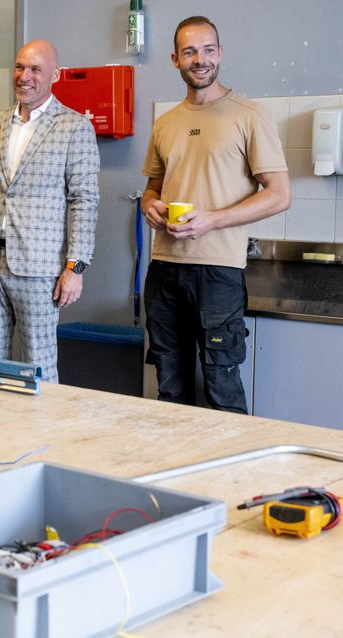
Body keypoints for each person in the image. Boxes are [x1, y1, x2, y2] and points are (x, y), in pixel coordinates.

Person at [141, 16, 289, 413]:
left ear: (220, 53)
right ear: (175, 59)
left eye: (208, 50)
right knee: (169, 390)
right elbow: (152, 188)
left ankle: (234, 476)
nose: (200, 59)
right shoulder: (165, 123)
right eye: (189, 51)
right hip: (164, 268)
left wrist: (214, 220)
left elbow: (279, 195)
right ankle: (175, 474)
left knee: (222, 387)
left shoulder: (249, 115)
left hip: (219, 271)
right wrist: (148, 206)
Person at [0, 39, 99, 382]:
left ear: (54, 75)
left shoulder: (74, 126)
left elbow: (84, 200)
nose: (25, 76)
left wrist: (75, 267)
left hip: (40, 268)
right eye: (20, 67)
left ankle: (40, 436)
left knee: (39, 366)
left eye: (35, 69)